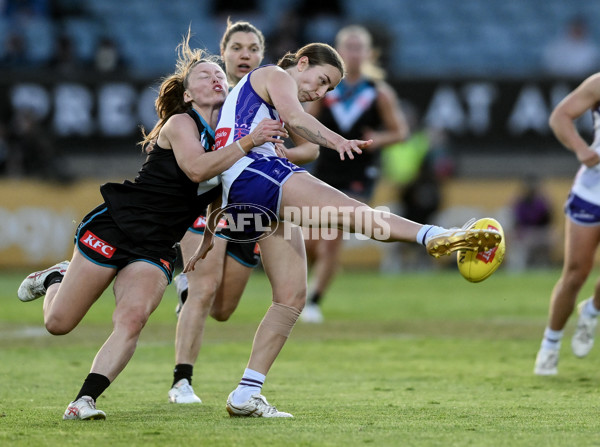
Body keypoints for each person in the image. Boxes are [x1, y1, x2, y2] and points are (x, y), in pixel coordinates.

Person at [185, 42, 502, 418]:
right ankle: (433, 235)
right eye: (321, 81)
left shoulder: (264, 93)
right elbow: (297, 119)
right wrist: (338, 141)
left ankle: (246, 393)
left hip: (245, 190)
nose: (320, 92)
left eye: (329, 89)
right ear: (301, 63)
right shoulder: (272, 75)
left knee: (291, 296)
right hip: (255, 174)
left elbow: (273, 135)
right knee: (355, 213)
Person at [15, 31, 286, 420]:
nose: (216, 79)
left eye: (219, 77)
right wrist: (249, 144)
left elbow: (214, 196)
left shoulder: (229, 138)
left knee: (133, 318)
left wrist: (209, 237)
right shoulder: (180, 122)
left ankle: (83, 401)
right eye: (205, 76)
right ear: (189, 95)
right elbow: (196, 169)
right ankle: (57, 278)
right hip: (116, 226)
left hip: (156, 245)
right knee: (58, 324)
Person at [167, 19, 318, 404]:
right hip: (208, 206)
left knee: (223, 310)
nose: (245, 54)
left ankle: (184, 288)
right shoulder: (208, 96)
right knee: (202, 288)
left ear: (262, 55)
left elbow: (310, 148)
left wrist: (277, 152)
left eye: (252, 48)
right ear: (224, 53)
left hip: (250, 208)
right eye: (236, 48)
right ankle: (181, 381)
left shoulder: (269, 95)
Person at [300, 25, 409, 323]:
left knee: (333, 234)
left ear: (369, 53)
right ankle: (311, 287)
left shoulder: (378, 93)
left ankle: (313, 301)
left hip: (359, 174)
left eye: (358, 47)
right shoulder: (327, 89)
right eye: (347, 47)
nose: (353, 53)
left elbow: (400, 132)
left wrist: (377, 139)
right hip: (326, 170)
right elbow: (305, 123)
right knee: (310, 240)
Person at [534, 72, 600, 376]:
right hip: (592, 192)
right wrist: (581, 148)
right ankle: (550, 344)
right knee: (576, 273)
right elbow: (561, 116)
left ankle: (592, 310)